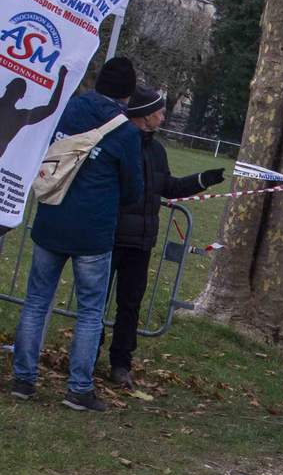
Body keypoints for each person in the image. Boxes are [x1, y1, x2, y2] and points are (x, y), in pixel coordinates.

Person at [9, 57, 142, 411]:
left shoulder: (68, 108)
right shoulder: (125, 132)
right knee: (89, 311)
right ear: (128, 95)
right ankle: (78, 388)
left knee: (36, 301)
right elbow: (133, 190)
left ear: (98, 82)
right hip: (93, 233)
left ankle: (23, 378)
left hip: (52, 219)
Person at [103, 87, 225, 388]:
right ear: (145, 116)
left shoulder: (157, 150)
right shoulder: (118, 142)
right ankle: (86, 355)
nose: (164, 115)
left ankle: (121, 363)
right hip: (109, 236)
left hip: (141, 242)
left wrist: (201, 180)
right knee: (97, 301)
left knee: (130, 305)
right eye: (159, 111)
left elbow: (167, 186)